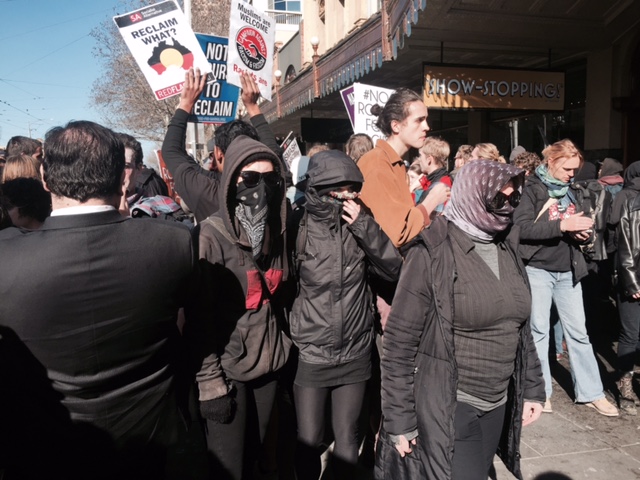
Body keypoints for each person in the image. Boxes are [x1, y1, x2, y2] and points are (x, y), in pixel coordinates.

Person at [0, 120, 205, 479]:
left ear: (45, 179)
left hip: (45, 452)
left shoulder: (6, 259)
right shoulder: (174, 243)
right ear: (121, 178)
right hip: (151, 445)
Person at [378, 160, 544, 480]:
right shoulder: (433, 251)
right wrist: (399, 419)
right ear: (473, 194)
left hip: (497, 401)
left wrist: (532, 387)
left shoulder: (507, 245)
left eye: (514, 199)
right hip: (452, 402)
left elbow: (519, 327)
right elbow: (398, 342)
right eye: (499, 199)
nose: (507, 208)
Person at [289, 150, 401, 480]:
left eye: (354, 190)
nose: (349, 197)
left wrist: (366, 227)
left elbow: (395, 269)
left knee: (348, 438)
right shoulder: (299, 224)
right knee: (309, 440)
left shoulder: (361, 221)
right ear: (321, 189)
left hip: (355, 350)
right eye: (341, 190)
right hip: (312, 351)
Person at [187, 135, 291, 480]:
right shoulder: (209, 237)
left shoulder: (277, 233)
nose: (260, 187)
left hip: (268, 367)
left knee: (257, 455)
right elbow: (197, 320)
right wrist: (211, 384)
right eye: (249, 178)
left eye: (270, 179)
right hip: (228, 373)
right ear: (231, 179)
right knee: (229, 467)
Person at [513, 139, 619, 416]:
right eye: (568, 168)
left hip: (569, 269)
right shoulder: (532, 188)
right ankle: (540, 393)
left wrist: (579, 232)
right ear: (552, 162)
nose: (573, 174)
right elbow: (521, 228)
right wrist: (563, 225)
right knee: (538, 331)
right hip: (537, 268)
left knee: (579, 334)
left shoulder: (572, 190)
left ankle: (592, 392)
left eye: (576, 169)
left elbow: (574, 222)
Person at [162, 68, 283, 223]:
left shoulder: (206, 192)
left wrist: (186, 103)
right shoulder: (273, 182)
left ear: (218, 153)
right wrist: (252, 106)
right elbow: (273, 152)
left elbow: (171, 151)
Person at [357, 88, 450, 248]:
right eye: (419, 120)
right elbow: (398, 232)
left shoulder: (394, 163)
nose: (426, 126)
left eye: (426, 119)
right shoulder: (377, 163)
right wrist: (432, 200)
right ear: (396, 126)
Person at [613, 173, 640, 414]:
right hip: (634, 280)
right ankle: (625, 381)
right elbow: (626, 248)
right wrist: (633, 283)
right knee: (630, 334)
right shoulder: (633, 205)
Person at [413, 136, 452, 207]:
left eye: (420, 155)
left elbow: (419, 214)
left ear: (429, 160)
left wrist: (411, 188)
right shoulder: (439, 180)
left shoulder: (439, 185)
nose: (419, 159)